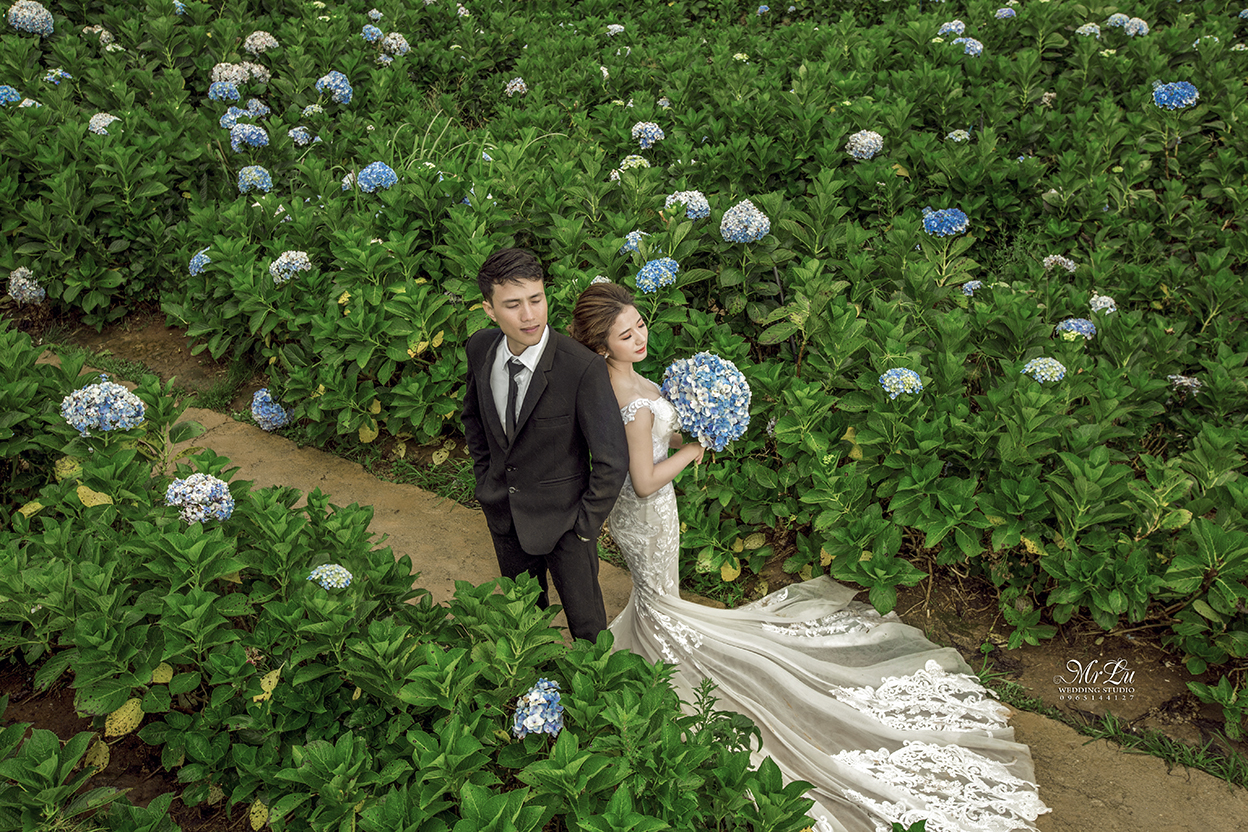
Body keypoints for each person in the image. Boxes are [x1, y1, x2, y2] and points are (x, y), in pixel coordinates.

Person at [570, 281, 1050, 832]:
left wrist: (694, 427)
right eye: (625, 335)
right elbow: (645, 479)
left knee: (660, 599)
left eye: (640, 324)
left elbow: (652, 449)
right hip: (647, 513)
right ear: (602, 346)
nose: (640, 337)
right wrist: (696, 447)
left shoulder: (627, 382)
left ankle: (651, 662)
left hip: (650, 513)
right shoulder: (629, 401)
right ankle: (669, 674)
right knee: (661, 601)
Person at [462, 249, 629, 642]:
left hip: (567, 524)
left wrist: (584, 527)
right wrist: (486, 480)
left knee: (587, 628)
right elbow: (474, 419)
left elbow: (612, 459)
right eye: (513, 305)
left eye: (536, 299)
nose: (529, 315)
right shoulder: (480, 348)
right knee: (524, 623)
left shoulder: (581, 367)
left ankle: (593, 678)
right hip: (504, 514)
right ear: (489, 310)